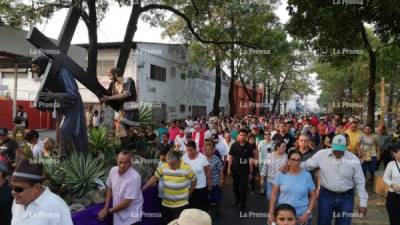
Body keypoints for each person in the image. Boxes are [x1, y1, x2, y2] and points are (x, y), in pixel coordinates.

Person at [301, 134, 368, 225]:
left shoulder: (353, 159)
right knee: (323, 222)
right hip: (326, 197)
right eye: (335, 149)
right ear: (331, 145)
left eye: (340, 150)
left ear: (346, 147)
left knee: (344, 223)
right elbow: (305, 165)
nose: (337, 152)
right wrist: (289, 165)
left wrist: (363, 203)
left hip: (346, 198)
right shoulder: (321, 155)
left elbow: (360, 182)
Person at [32, 55, 88, 156]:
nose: (33, 70)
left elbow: (73, 94)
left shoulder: (63, 72)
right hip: (64, 109)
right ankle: (68, 158)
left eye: (35, 66)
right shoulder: (49, 77)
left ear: (43, 65)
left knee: (66, 130)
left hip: (73, 108)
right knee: (62, 133)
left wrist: (53, 95)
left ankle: (76, 159)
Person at [10, 159, 73, 225]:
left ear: (36, 187)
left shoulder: (57, 206)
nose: (13, 192)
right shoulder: (17, 201)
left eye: (18, 189)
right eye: (12, 187)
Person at [142, 150, 196, 225]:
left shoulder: (186, 168)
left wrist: (190, 192)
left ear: (179, 161)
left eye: (172, 164)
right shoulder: (163, 166)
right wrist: (143, 189)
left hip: (181, 204)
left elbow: (193, 180)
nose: (170, 166)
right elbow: (154, 178)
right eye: (168, 164)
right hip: (166, 204)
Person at [269, 150, 316, 225]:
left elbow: (313, 196)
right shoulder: (280, 174)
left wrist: (308, 213)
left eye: (298, 160)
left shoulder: (307, 176)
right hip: (283, 216)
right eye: (293, 159)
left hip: (301, 216)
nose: (296, 162)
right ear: (288, 160)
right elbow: (274, 194)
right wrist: (271, 213)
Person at [98, 151, 143, 225]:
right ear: (116, 160)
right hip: (117, 214)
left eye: (126, 163)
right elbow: (109, 188)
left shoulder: (135, 177)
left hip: (131, 217)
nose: (122, 165)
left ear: (131, 163)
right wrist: (105, 208)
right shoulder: (113, 170)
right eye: (120, 162)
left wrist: (108, 211)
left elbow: (126, 202)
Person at [100, 67, 138, 146]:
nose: (109, 78)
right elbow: (107, 94)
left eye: (110, 75)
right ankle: (135, 146)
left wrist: (108, 98)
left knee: (119, 125)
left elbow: (125, 94)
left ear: (116, 74)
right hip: (122, 110)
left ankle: (125, 149)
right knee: (126, 131)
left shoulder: (127, 80)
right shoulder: (113, 84)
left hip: (131, 107)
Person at [227, 128, 254, 212]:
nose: (242, 137)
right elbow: (230, 157)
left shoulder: (249, 146)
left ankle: (243, 205)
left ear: (246, 137)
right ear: (238, 135)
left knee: (243, 189)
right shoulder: (234, 145)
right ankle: (238, 200)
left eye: (244, 135)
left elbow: (251, 160)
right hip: (235, 170)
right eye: (241, 135)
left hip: (245, 172)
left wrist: (251, 172)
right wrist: (228, 168)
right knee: (235, 187)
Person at [183, 141, 211, 212]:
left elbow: (207, 171)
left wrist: (209, 183)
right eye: (187, 150)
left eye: (191, 150)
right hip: (188, 187)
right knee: (190, 207)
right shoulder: (184, 157)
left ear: (195, 149)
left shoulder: (202, 157)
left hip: (200, 186)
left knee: (201, 208)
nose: (189, 152)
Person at [204, 141, 223, 217]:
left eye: (209, 149)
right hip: (205, 181)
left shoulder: (217, 159)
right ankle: (209, 210)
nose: (207, 151)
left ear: (213, 150)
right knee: (207, 197)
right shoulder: (203, 158)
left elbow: (221, 170)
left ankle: (217, 207)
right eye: (206, 149)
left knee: (216, 196)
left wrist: (221, 180)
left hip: (215, 180)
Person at [383, 144, 400, 225]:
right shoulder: (391, 164)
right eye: (394, 152)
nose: (395, 154)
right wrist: (392, 184)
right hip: (393, 197)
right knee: (394, 220)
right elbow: (385, 177)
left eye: (397, 152)